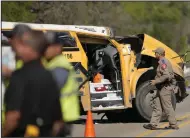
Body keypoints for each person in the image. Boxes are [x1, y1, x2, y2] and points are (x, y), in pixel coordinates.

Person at [2, 25, 63, 137]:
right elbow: (57, 120)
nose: (13, 49)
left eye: (18, 45)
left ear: (28, 47)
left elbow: (13, 117)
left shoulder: (20, 76)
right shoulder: (48, 75)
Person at [44, 32, 80, 136]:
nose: (45, 49)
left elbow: (49, 91)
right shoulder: (51, 63)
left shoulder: (60, 66)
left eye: (48, 46)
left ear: (58, 47)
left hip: (60, 118)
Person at [143, 47, 179, 130]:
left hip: (165, 88)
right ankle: (153, 124)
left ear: (159, 54)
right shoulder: (162, 61)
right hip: (161, 88)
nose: (154, 54)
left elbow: (166, 75)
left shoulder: (163, 61)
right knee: (157, 106)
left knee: (167, 107)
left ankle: (173, 125)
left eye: (155, 53)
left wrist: (156, 81)